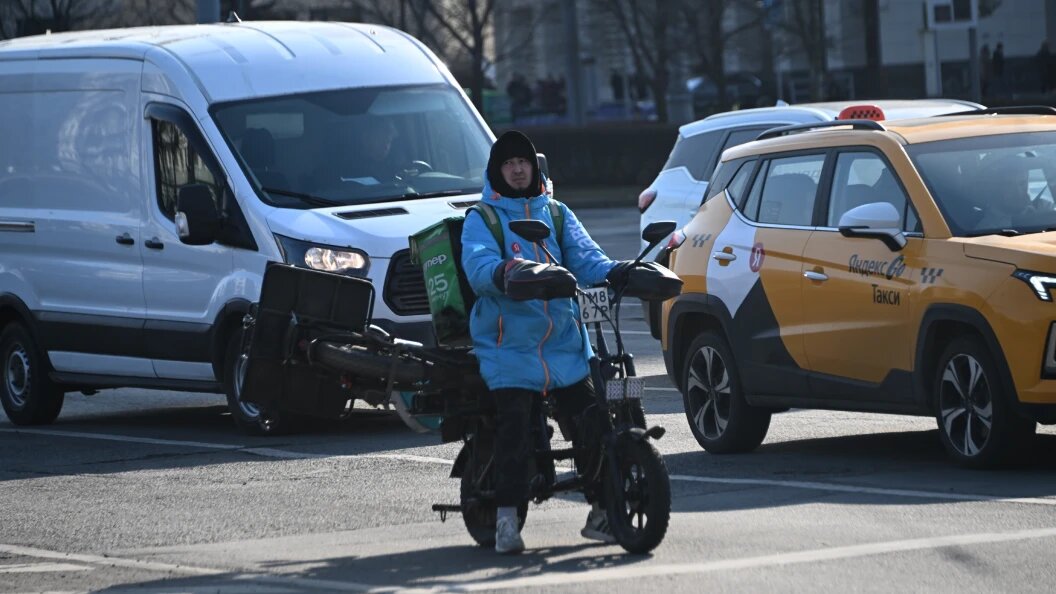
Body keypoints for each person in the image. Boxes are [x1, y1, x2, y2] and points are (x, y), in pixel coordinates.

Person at [461, 130, 633, 555]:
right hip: (509, 345)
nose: (518, 169)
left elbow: (586, 257)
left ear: (534, 167)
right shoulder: (482, 218)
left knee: (594, 420)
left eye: (523, 162)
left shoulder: (556, 213)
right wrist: (505, 271)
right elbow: (478, 265)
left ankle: (601, 512)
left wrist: (617, 271)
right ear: (496, 171)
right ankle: (506, 520)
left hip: (564, 344)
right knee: (515, 429)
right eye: (508, 163)